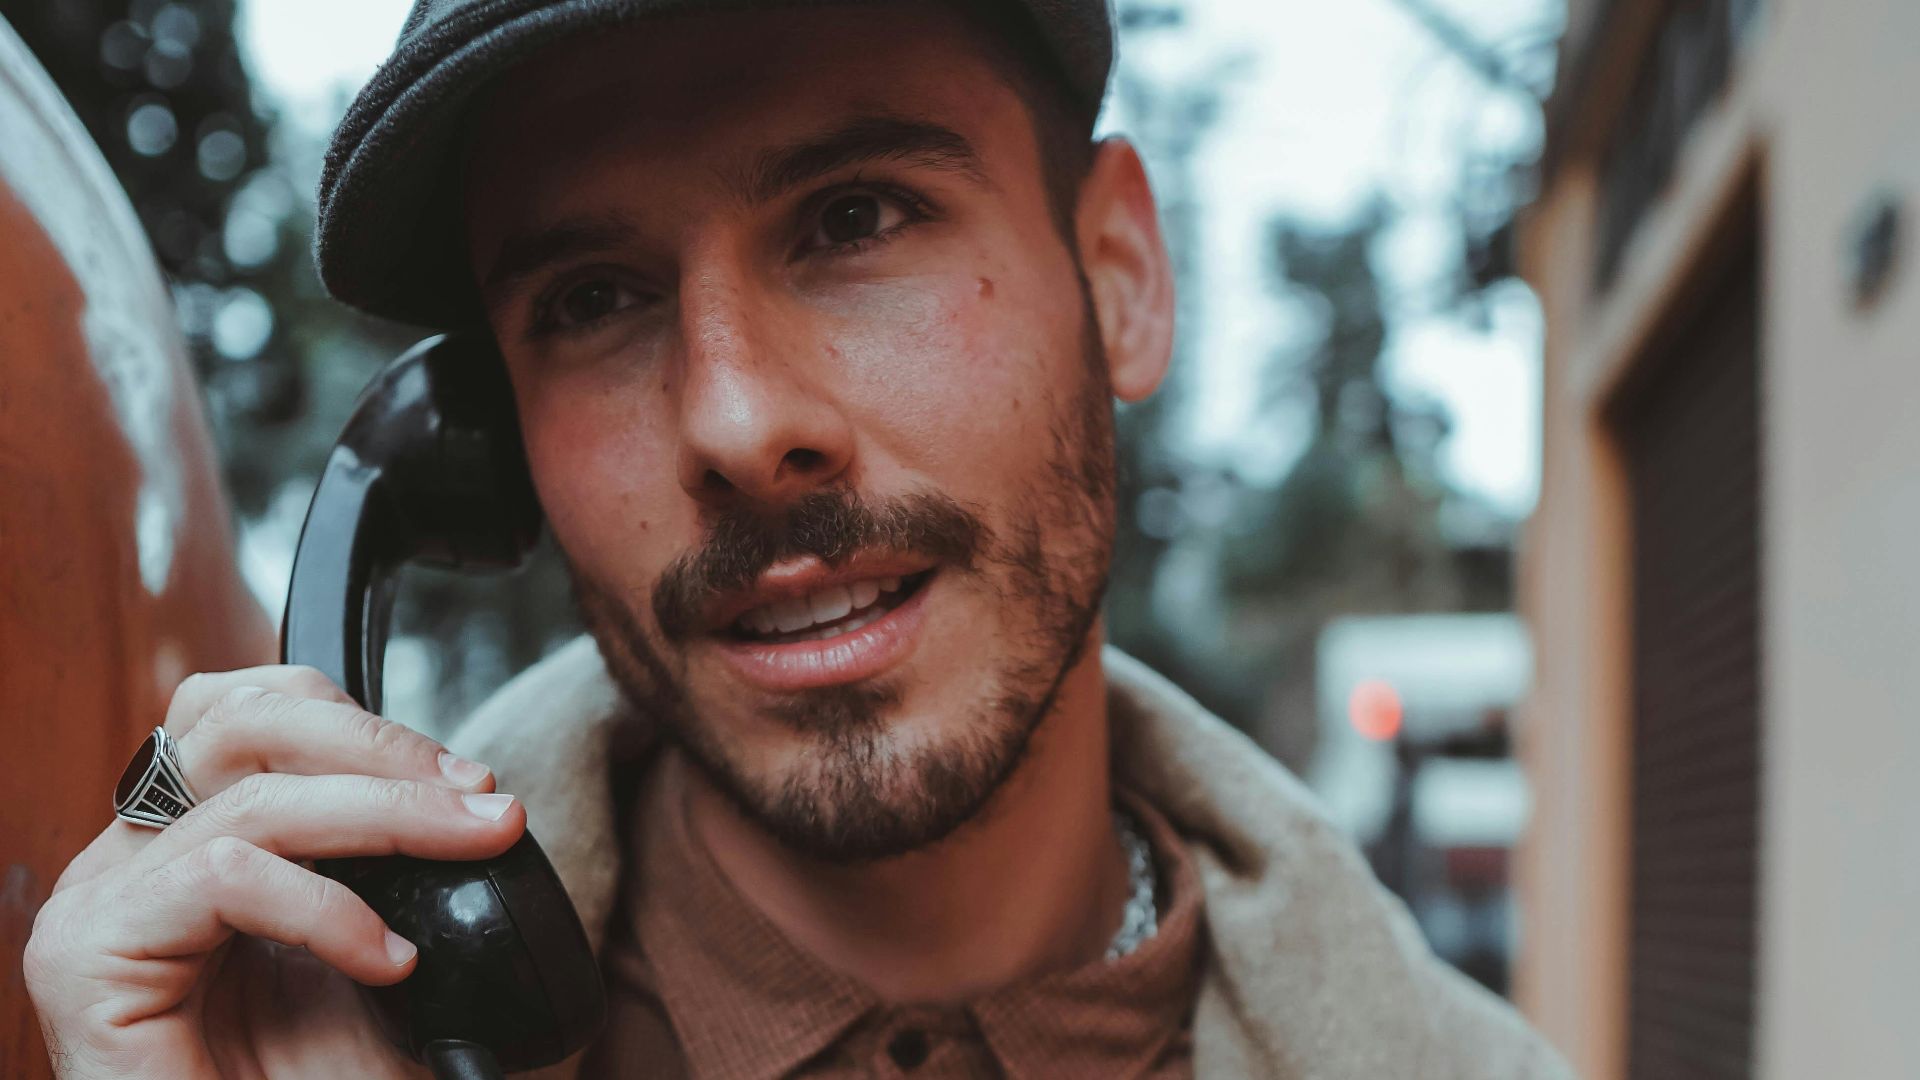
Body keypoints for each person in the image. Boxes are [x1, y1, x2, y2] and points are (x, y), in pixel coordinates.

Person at [25, 1, 1573, 1076]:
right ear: (487, 449)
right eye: (592, 300)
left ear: (1119, 279)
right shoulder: (321, 1038)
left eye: (856, 218)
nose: (737, 421)